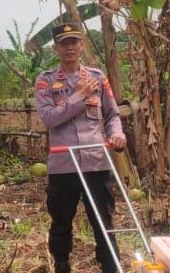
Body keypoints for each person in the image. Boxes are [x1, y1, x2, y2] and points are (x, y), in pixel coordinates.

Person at [33, 22, 126, 273]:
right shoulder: (46, 82)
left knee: (103, 221)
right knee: (61, 223)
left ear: (81, 45)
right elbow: (49, 118)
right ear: (55, 48)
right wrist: (79, 96)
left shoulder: (97, 78)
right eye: (64, 43)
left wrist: (117, 134)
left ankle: (111, 267)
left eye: (74, 42)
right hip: (64, 166)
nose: (70, 47)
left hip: (96, 163)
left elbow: (112, 115)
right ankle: (62, 265)